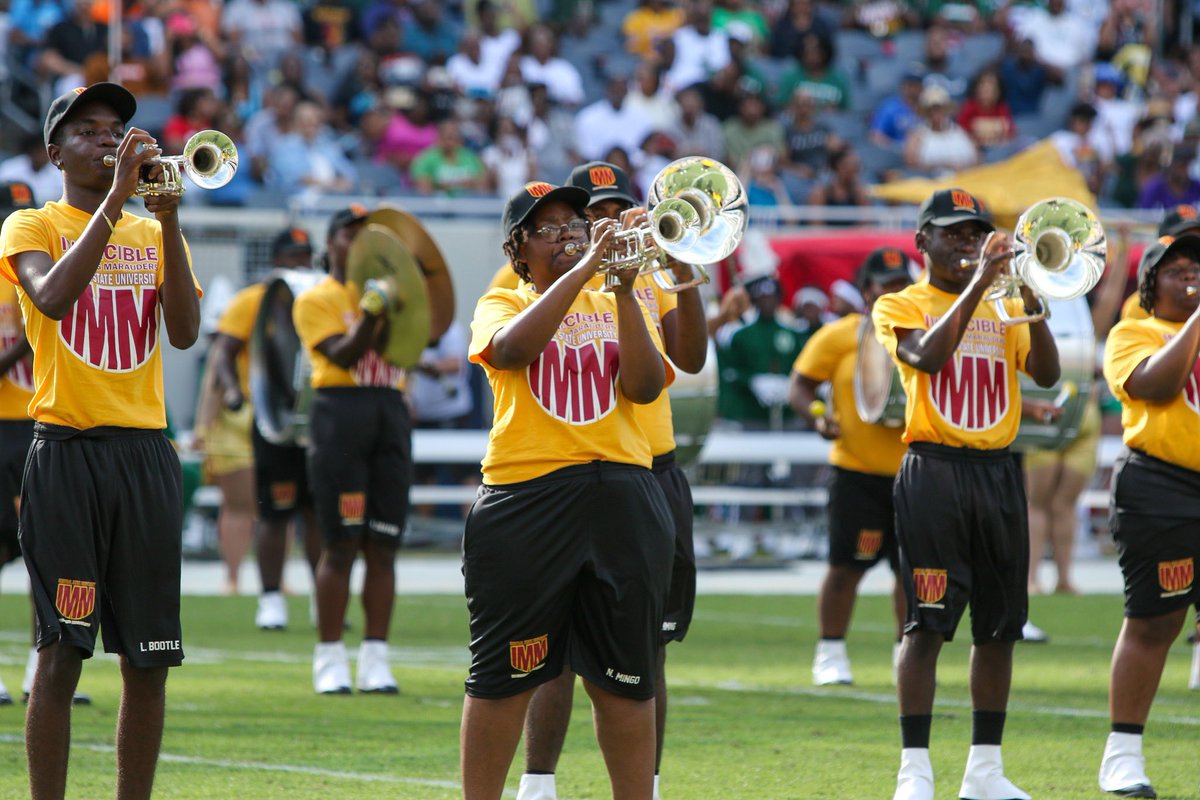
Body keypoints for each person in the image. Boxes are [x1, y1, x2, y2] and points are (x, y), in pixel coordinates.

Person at [0, 81, 201, 798]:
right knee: (62, 652)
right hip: (66, 453)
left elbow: (181, 333)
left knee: (149, 660)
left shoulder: (151, 233)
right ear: (55, 152)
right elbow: (50, 298)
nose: (108, 140)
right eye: (87, 130)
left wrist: (168, 220)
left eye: (116, 129)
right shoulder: (31, 225)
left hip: (144, 456)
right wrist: (117, 199)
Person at [460, 180, 674, 800]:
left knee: (627, 679)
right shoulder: (500, 300)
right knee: (505, 674)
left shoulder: (618, 301)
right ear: (516, 248)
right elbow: (514, 349)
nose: (569, 235)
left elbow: (642, 387)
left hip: (625, 495)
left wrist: (628, 289)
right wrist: (583, 270)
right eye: (548, 229)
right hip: (528, 499)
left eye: (576, 225)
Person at [516, 162, 708, 800]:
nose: (605, 222)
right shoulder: (541, 273)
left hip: (650, 471)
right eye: (591, 212)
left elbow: (691, 356)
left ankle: (642, 785)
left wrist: (681, 260)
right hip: (570, 470)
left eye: (617, 209)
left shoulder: (645, 273)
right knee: (554, 644)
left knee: (647, 645)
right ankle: (538, 783)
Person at [872, 188, 1061, 800]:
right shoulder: (899, 303)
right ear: (921, 240)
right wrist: (982, 283)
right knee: (925, 626)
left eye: (975, 233)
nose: (967, 243)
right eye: (952, 233)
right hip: (935, 471)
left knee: (1000, 628)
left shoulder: (1006, 304)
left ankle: (985, 771)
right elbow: (925, 359)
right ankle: (915, 771)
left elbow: (1050, 375)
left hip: (999, 472)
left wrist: (1032, 298)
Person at [291, 205, 411, 694]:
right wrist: (371, 311)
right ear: (331, 243)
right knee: (341, 542)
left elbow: (427, 335)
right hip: (341, 414)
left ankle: (376, 658)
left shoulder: (395, 294)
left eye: (369, 235)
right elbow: (342, 353)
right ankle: (330, 658)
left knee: (384, 544)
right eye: (350, 234)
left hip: (389, 410)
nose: (360, 243)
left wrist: (396, 300)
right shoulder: (316, 297)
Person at [1097, 235, 1200, 798]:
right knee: (1156, 621)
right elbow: (1156, 387)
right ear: (1151, 284)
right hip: (1163, 487)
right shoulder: (1132, 333)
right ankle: (1123, 755)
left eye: (1199, 270)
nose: (1192, 278)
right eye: (1178, 270)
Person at [790, 247, 912, 686]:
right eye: (888, 285)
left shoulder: (924, 333)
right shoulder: (841, 335)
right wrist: (819, 417)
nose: (897, 292)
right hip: (857, 472)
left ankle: (906, 652)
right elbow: (800, 385)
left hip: (913, 472)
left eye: (904, 284)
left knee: (911, 570)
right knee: (847, 567)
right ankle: (830, 652)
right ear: (867, 291)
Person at [206, 226, 323, 629]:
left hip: (317, 416)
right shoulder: (253, 300)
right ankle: (270, 597)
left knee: (318, 512)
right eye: (292, 257)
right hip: (273, 416)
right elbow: (224, 349)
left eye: (305, 256)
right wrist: (234, 391)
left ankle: (322, 597)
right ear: (276, 261)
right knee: (275, 510)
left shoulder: (321, 298)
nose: (300, 264)